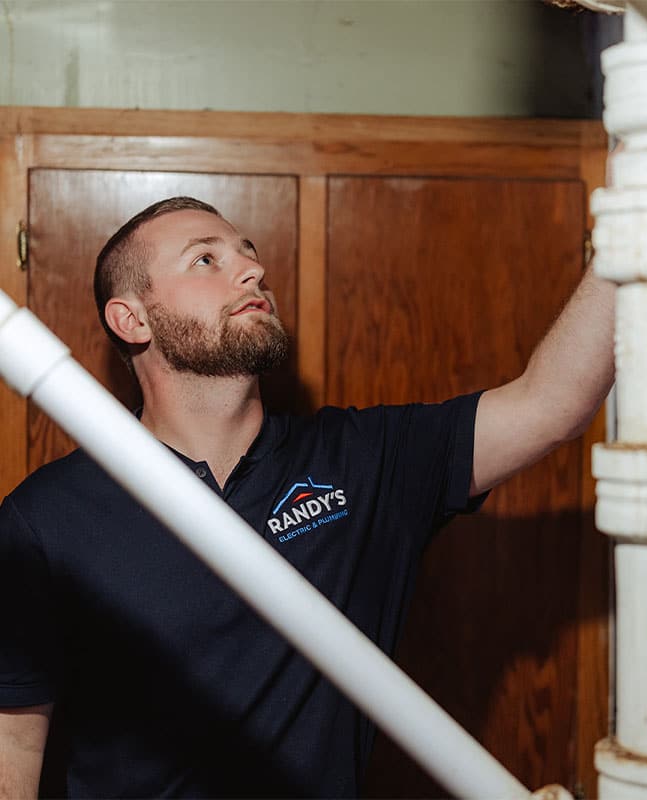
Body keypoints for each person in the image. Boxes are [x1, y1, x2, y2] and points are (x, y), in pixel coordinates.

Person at [0, 197, 615, 798]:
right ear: (132, 320)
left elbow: (551, 405)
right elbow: (14, 745)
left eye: (247, 252)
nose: (253, 269)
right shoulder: (46, 519)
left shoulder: (366, 461)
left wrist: (629, 233)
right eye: (205, 260)